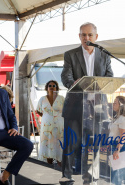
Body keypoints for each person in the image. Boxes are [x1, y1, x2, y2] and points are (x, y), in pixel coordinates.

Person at [60, 22, 113, 182]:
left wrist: (101, 84)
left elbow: (109, 76)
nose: (86, 37)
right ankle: (66, 177)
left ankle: (91, 177)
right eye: (83, 35)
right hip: (75, 106)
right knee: (71, 144)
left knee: (94, 145)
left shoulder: (104, 55)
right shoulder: (70, 54)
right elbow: (65, 77)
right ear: (79, 36)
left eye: (90, 35)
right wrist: (76, 85)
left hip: (96, 108)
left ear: (96, 37)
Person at [36, 80, 64, 166]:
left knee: (59, 144)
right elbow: (38, 110)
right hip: (46, 126)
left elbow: (66, 110)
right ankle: (49, 166)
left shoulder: (61, 98)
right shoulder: (42, 99)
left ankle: (61, 167)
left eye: (54, 85)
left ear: (57, 88)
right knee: (47, 144)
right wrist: (46, 116)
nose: (52, 87)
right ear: (47, 88)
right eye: (50, 86)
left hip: (59, 126)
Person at [108, 96, 125, 185]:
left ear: (121, 105)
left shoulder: (122, 118)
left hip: (120, 148)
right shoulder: (116, 117)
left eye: (115, 103)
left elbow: (123, 136)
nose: (113, 104)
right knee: (114, 175)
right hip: (113, 146)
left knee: (117, 176)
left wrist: (117, 150)